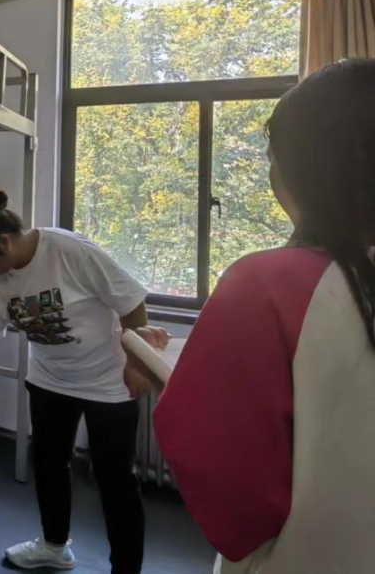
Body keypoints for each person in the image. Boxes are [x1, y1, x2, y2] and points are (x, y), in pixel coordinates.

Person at [151, 58, 375, 574]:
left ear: (307, 170)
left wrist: (173, 379)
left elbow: (234, 503)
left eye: (276, 158)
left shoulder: (269, 284)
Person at [0, 190, 168, 573]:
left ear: (3, 242)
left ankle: (126, 569)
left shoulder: (68, 250)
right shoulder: (0, 283)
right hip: (50, 381)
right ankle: (54, 547)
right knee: (50, 466)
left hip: (108, 382)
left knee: (115, 480)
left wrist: (137, 366)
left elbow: (131, 301)